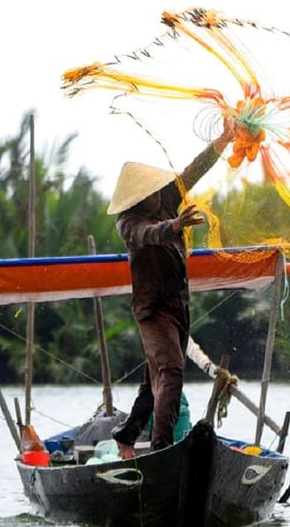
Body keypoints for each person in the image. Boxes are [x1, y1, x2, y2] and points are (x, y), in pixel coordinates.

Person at [108, 119, 235, 458]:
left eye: (156, 189)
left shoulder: (165, 199)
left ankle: (128, 433)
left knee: (155, 381)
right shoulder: (130, 222)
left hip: (178, 306)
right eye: (148, 192)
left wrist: (223, 141)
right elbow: (152, 234)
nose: (157, 193)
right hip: (153, 311)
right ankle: (163, 449)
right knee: (172, 371)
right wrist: (176, 225)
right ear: (136, 199)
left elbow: (193, 171)